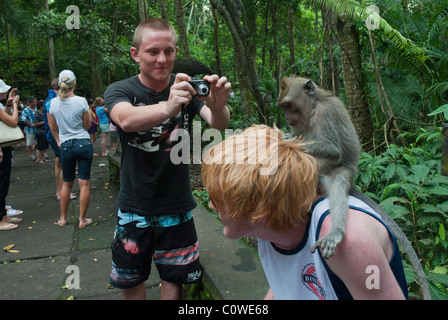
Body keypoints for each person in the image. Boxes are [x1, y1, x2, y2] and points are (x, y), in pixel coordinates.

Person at [201, 125, 408, 300]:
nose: (211, 205)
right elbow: (286, 283)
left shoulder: (345, 239)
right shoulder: (269, 225)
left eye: (219, 199)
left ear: (259, 208)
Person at [104, 18, 231, 300]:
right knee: (131, 280)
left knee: (174, 279)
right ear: (135, 54)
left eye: (169, 51)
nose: (162, 59)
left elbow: (218, 123)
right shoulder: (121, 90)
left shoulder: (184, 86)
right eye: (153, 52)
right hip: (134, 206)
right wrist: (169, 106)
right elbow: (125, 119)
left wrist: (219, 105)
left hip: (176, 205)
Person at [48, 70, 93, 228]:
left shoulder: (53, 103)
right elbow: (87, 126)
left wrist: (59, 140)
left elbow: (53, 126)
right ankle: (82, 219)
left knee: (67, 184)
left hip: (66, 144)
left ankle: (63, 218)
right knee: (84, 183)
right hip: (83, 142)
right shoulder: (81, 101)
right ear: (74, 83)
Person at [43, 78, 77, 201]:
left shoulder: (49, 100)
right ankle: (63, 192)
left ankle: (60, 191)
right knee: (63, 164)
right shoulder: (53, 101)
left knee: (59, 163)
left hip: (53, 136)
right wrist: (58, 139)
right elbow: (53, 124)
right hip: (57, 136)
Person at [0, 79, 22, 231]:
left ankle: (3, 213)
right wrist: (15, 104)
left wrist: (8, 104)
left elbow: (4, 119)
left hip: (4, 147)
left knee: (4, 181)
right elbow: (13, 122)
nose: (6, 92)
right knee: (0, 183)